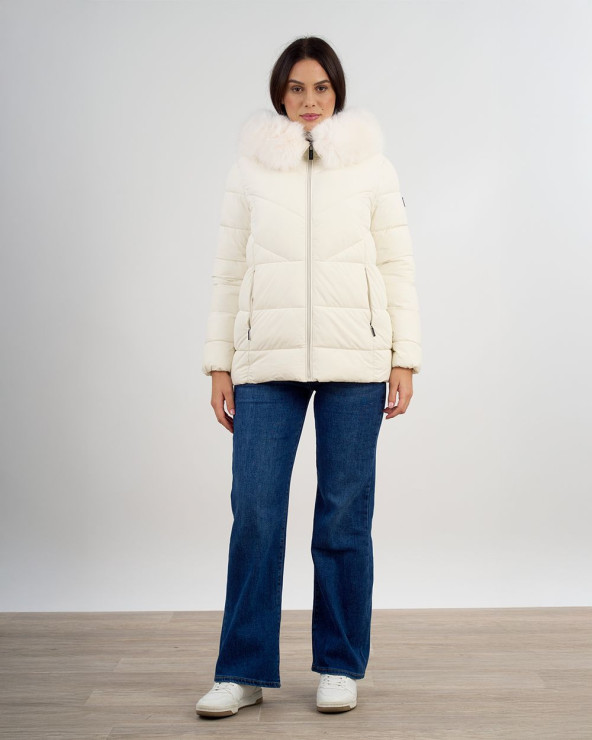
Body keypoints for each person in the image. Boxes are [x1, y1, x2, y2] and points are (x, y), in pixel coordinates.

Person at [196, 35, 422, 718]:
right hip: (266, 361)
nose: (309, 101)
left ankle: (339, 665)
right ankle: (242, 671)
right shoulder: (250, 169)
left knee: (345, 515)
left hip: (357, 360)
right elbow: (229, 270)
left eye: (320, 87)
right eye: (296, 88)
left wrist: (404, 356)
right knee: (256, 513)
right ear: (280, 94)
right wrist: (219, 363)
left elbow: (397, 265)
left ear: (337, 91)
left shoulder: (372, 167)